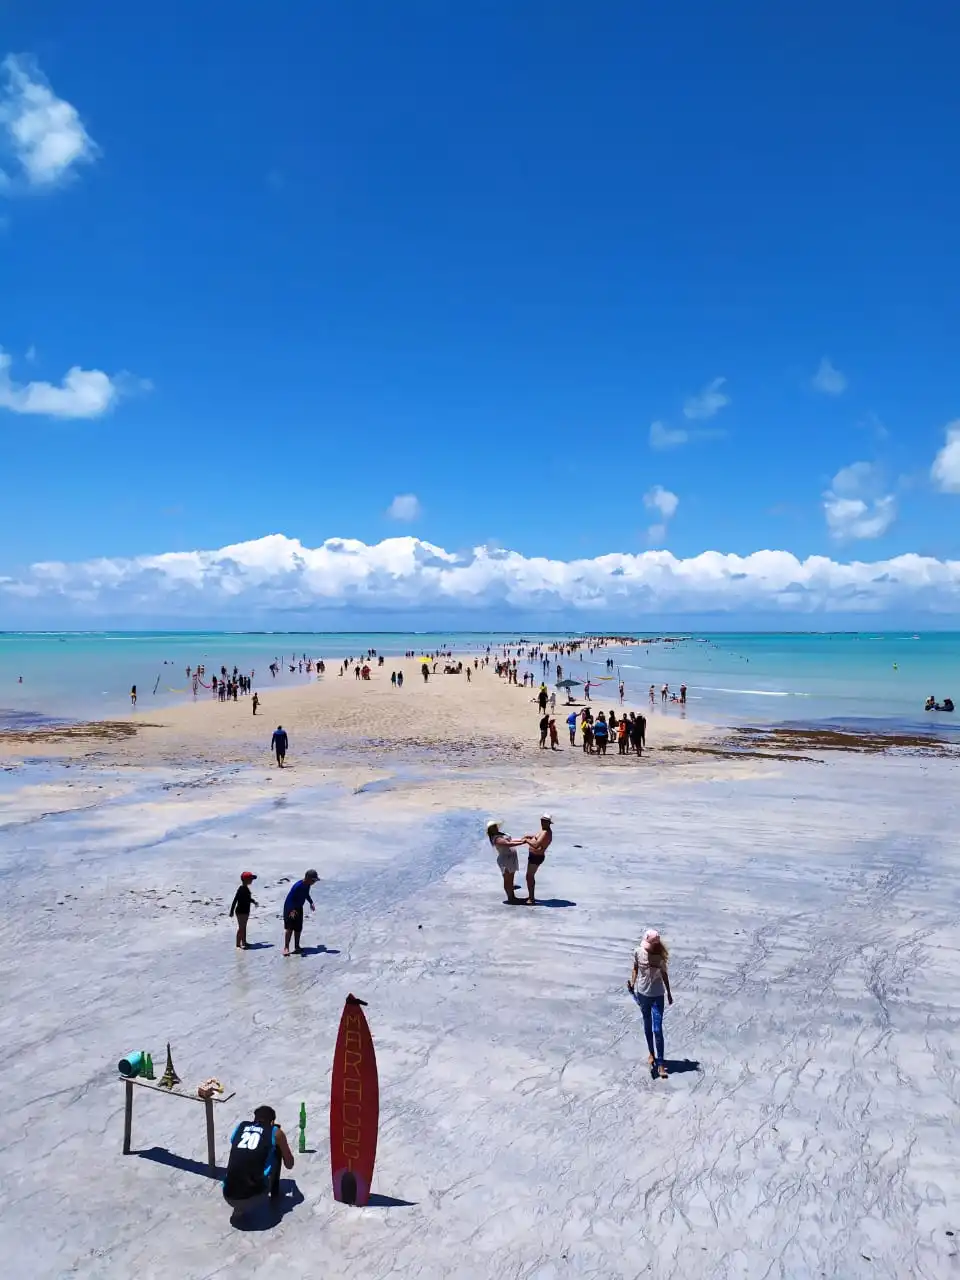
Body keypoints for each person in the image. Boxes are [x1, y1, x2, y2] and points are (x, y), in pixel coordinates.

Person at [223, 1105, 295, 1221]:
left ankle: (239, 1209)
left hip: (228, 1195)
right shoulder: (275, 1132)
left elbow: (237, 1143)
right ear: (272, 1122)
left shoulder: (241, 1126)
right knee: (276, 1150)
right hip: (254, 1197)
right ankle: (274, 1195)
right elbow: (289, 1164)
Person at [627, 929, 673, 1078]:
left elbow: (665, 975)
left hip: (657, 996)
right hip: (643, 994)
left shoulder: (660, 958)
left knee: (657, 1029)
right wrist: (632, 983)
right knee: (647, 1025)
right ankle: (651, 1054)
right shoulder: (638, 952)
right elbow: (635, 968)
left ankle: (660, 1064)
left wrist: (669, 993)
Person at [486, 820, 526, 904]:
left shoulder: (501, 834)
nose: (495, 828)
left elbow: (511, 840)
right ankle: (511, 898)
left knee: (510, 878)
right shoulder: (496, 838)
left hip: (510, 859)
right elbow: (508, 844)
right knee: (508, 880)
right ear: (490, 830)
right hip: (505, 860)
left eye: (495, 826)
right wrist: (522, 842)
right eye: (493, 827)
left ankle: (512, 897)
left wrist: (522, 839)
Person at [283, 869, 318, 955]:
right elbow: (292, 899)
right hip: (290, 908)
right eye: (313, 880)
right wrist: (292, 910)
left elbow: (306, 894)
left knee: (298, 928)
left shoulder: (307, 885)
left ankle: (297, 946)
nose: (314, 882)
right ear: (307, 878)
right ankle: (286, 947)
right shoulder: (298, 886)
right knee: (289, 928)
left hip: (298, 908)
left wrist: (311, 902)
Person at [522, 814, 553, 905]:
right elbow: (538, 839)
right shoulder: (544, 830)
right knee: (529, 876)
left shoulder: (546, 832)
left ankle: (531, 899)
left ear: (548, 823)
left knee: (529, 877)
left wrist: (526, 841)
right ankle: (531, 896)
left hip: (536, 857)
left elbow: (536, 845)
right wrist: (531, 837)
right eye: (542, 820)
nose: (542, 822)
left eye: (544, 821)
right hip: (534, 856)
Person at [229, 872, 258, 949]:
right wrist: (231, 911)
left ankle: (244, 942)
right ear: (246, 880)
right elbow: (235, 900)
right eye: (251, 879)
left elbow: (247, 899)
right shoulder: (241, 889)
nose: (252, 880)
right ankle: (238, 944)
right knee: (241, 927)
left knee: (243, 927)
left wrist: (253, 901)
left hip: (245, 911)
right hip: (241, 911)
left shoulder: (245, 888)